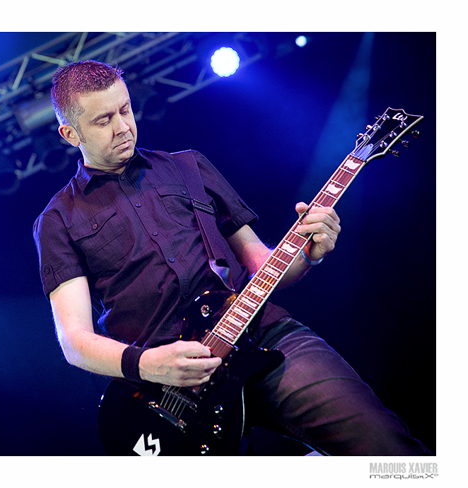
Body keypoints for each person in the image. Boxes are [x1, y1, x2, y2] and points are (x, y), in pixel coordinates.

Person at [32, 60, 431, 455]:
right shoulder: (57, 221)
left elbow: (262, 263)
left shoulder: (188, 167)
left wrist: (308, 253)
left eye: (126, 109)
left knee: (384, 447)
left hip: (263, 337)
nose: (123, 126)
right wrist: (148, 364)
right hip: (166, 390)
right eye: (104, 120)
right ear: (70, 133)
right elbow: (76, 341)